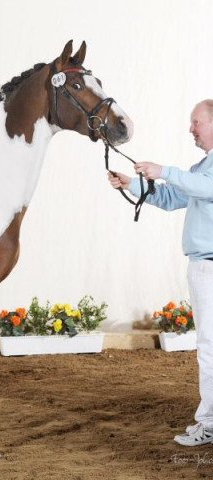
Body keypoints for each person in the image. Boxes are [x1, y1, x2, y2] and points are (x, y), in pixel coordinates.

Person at [108, 99, 213, 446]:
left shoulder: (203, 173)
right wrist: (132, 184)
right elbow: (171, 198)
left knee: (209, 348)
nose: (191, 129)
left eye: (196, 122)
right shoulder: (201, 167)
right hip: (204, 267)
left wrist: (164, 170)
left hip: (208, 269)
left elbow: (202, 189)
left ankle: (209, 425)